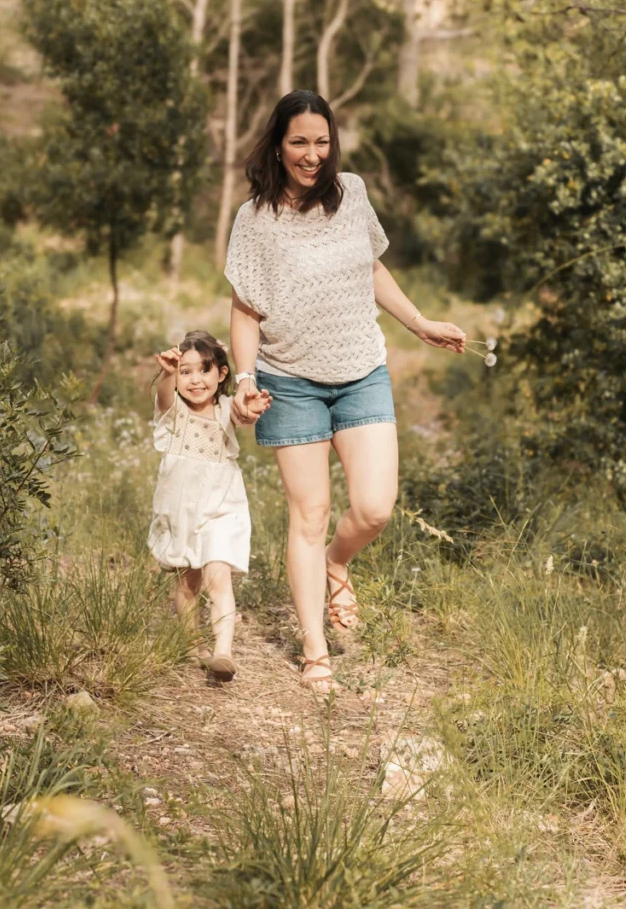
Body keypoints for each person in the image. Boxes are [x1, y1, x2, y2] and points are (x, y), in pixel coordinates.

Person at [224, 90, 465, 692]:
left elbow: (373, 267)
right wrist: (246, 379)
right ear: (278, 146)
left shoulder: (351, 194)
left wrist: (421, 322)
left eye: (322, 141)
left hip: (362, 371)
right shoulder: (254, 219)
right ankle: (314, 651)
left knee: (375, 507)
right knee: (309, 514)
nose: (312, 154)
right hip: (289, 380)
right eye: (299, 142)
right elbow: (246, 309)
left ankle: (338, 562)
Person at [148, 330, 271, 682]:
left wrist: (253, 407)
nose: (195, 380)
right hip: (181, 508)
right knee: (188, 581)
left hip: (221, 506)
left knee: (218, 578)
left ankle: (223, 652)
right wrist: (168, 373)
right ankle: (191, 643)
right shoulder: (172, 412)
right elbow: (163, 392)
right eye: (186, 372)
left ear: (221, 374)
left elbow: (244, 413)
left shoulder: (225, 408)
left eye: (204, 370)